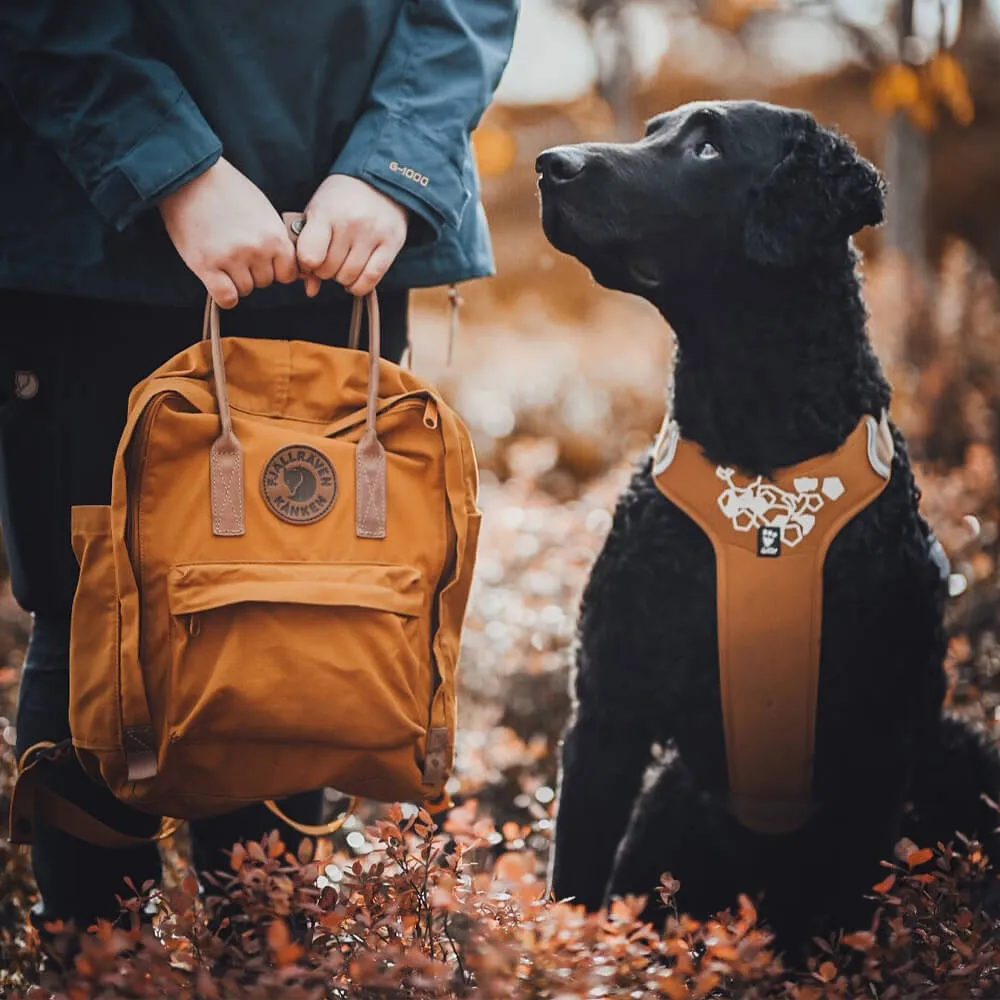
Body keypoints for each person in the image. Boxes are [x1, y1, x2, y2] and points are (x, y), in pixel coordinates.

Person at [0, 0, 518, 939]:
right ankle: (91, 968)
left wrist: (390, 166)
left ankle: (271, 965)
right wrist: (173, 168)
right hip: (96, 243)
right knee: (94, 619)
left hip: (350, 236)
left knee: (317, 606)